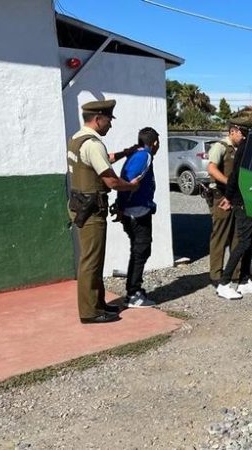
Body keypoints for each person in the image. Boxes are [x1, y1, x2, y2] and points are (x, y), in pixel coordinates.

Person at [67, 99, 141, 324]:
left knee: (94, 259)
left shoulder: (77, 140)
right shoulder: (93, 144)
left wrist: (124, 152)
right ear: (98, 119)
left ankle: (97, 303)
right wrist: (131, 185)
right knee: (91, 260)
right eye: (109, 120)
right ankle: (90, 312)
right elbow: (110, 180)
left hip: (80, 204)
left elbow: (102, 161)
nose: (110, 125)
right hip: (91, 209)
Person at [215, 117, 252, 300]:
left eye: (234, 131)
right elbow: (235, 175)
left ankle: (244, 281)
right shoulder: (245, 148)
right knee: (244, 241)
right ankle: (224, 283)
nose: (232, 134)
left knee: (250, 240)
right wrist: (229, 197)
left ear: (238, 130)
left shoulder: (248, 146)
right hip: (241, 199)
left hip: (248, 198)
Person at [116, 127, 160, 309]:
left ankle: (134, 289)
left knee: (140, 249)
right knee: (140, 250)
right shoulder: (144, 156)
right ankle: (133, 293)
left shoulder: (139, 155)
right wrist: (122, 205)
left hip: (135, 210)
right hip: (137, 212)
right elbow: (128, 180)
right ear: (155, 143)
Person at [206, 117, 249, 286]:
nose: (244, 136)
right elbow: (211, 168)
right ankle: (216, 275)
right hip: (221, 195)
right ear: (233, 131)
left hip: (236, 197)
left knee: (237, 237)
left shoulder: (241, 148)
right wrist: (228, 182)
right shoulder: (221, 147)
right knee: (220, 236)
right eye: (242, 132)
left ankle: (235, 274)